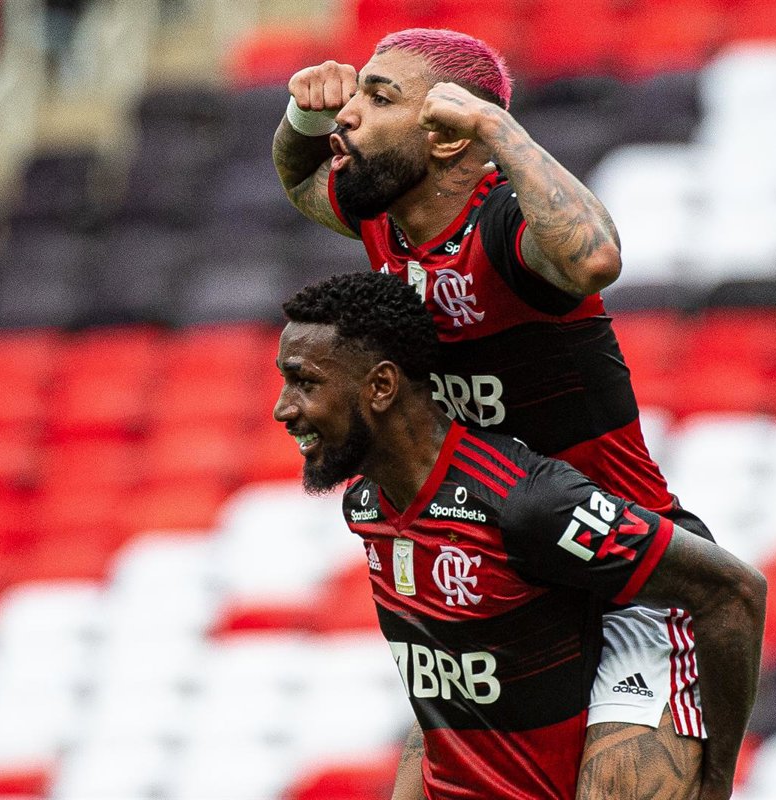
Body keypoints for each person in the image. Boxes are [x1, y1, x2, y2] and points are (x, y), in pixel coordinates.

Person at [271, 27, 732, 800]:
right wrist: (304, 117)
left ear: (449, 135)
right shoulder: (386, 220)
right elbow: (300, 178)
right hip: (501, 580)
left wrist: (497, 126)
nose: (349, 111)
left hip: (614, 572)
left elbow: (597, 258)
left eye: (379, 97)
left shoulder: (509, 229)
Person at [272, 271, 765, 800]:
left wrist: (716, 783)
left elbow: (733, 590)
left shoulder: (525, 503)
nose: (283, 408)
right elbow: (442, 694)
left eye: (304, 382)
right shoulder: (366, 506)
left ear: (382, 387)